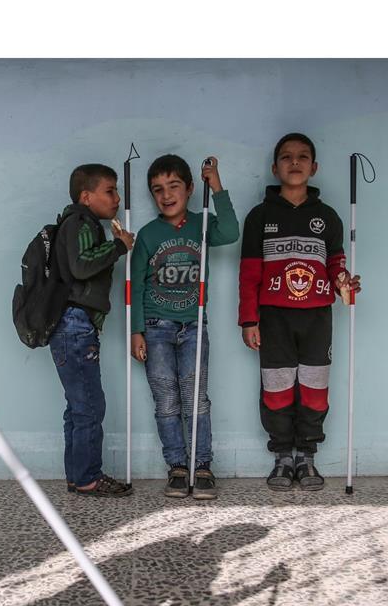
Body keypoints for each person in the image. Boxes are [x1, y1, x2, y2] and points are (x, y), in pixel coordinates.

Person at [237, 133, 361, 492]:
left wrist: (344, 283)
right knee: (276, 390)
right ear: (275, 167)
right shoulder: (259, 217)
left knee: (314, 390)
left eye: (303, 156)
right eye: (287, 157)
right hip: (273, 317)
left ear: (314, 167)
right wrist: (249, 319)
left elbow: (335, 266)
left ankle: (306, 455)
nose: (295, 162)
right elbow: (249, 274)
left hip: (317, 318)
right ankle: (282, 456)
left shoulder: (328, 217)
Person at [129, 154, 239, 499]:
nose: (166, 194)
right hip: (155, 326)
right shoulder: (148, 234)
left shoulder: (203, 225)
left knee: (196, 400)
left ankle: (201, 466)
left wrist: (216, 184)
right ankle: (177, 466)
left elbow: (232, 232)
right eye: (157, 189)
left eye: (174, 186)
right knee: (166, 402)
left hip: (193, 326)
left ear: (190, 189)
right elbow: (136, 286)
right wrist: (136, 331)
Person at [49, 164, 136, 497]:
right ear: (87, 197)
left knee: (78, 405)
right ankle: (88, 477)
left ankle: (77, 476)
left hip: (70, 325)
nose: (117, 198)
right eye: (110, 191)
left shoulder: (75, 224)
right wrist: (119, 246)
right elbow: (81, 266)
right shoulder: (82, 223)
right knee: (89, 406)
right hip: (75, 325)